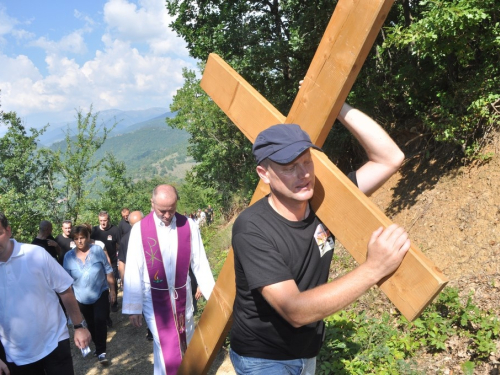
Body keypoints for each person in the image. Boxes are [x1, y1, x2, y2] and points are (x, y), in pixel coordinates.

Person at [229, 103, 411, 374]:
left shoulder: (326, 204)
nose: (303, 174)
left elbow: (390, 158)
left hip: (307, 350)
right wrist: (373, 269)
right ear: (264, 173)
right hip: (263, 357)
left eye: (306, 162)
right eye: (290, 167)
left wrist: (337, 106)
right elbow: (296, 310)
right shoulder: (252, 228)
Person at [123, 184, 215, 375]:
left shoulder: (188, 225)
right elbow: (133, 268)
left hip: (183, 295)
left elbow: (199, 262)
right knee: (168, 344)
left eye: (171, 210)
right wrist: (134, 306)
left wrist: (212, 294)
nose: (167, 215)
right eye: (162, 210)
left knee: (183, 341)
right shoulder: (140, 229)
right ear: (152, 203)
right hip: (154, 298)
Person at [0, 212, 91, 374]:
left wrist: (79, 326)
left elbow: (64, 289)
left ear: (8, 231)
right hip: (17, 355)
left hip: (54, 341)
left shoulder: (35, 254)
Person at [63, 225, 116, 365]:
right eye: (76, 239)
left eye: (82, 238)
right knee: (90, 323)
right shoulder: (68, 257)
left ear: (87, 237)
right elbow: (66, 282)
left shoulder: (97, 250)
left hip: (100, 292)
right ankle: (97, 346)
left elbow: (108, 270)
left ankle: (101, 351)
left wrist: (113, 291)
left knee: (100, 320)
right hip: (81, 297)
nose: (79, 241)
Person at [91, 211, 120, 312]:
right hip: (98, 262)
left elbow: (119, 244)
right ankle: (103, 303)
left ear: (109, 220)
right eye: (101, 221)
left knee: (112, 282)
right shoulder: (94, 231)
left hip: (111, 261)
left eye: (105, 220)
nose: (103, 223)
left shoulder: (115, 230)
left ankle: (114, 302)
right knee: (101, 283)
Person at [117, 210, 144, 282]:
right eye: (134, 225)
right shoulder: (125, 239)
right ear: (130, 224)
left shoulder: (151, 235)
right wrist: (123, 278)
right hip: (133, 277)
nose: (137, 227)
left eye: (139, 223)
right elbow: (122, 261)